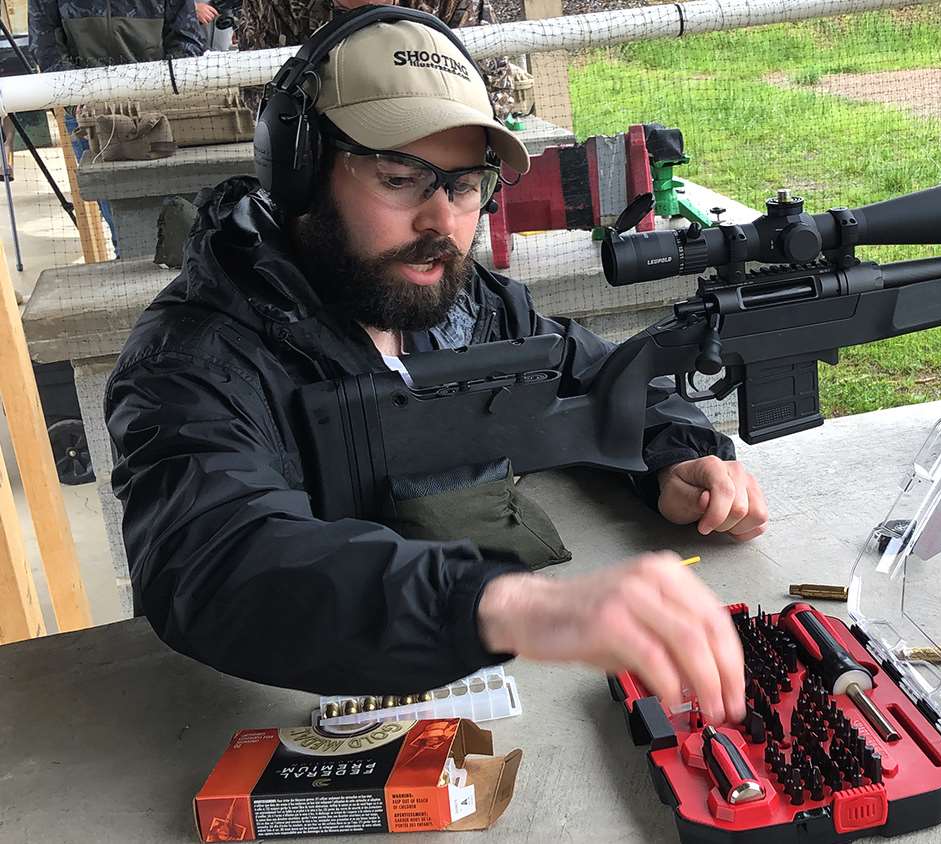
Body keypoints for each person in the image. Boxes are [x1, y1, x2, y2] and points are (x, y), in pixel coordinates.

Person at [104, 9, 764, 727]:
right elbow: (218, 560)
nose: (441, 221)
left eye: (463, 184)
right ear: (298, 172)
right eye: (400, 177)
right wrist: (508, 607)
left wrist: (675, 457)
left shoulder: (463, 300)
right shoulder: (193, 359)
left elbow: (596, 375)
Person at [27, 0, 207, 255]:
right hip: (91, 121)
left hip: (158, 115)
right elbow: (44, 43)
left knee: (180, 218)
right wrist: (81, 98)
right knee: (123, 225)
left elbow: (187, 39)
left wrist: (160, 95)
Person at [235, 0, 530, 119]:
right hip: (327, 144)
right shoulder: (273, 5)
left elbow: (491, 94)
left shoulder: (454, 3)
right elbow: (262, 100)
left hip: (432, 128)